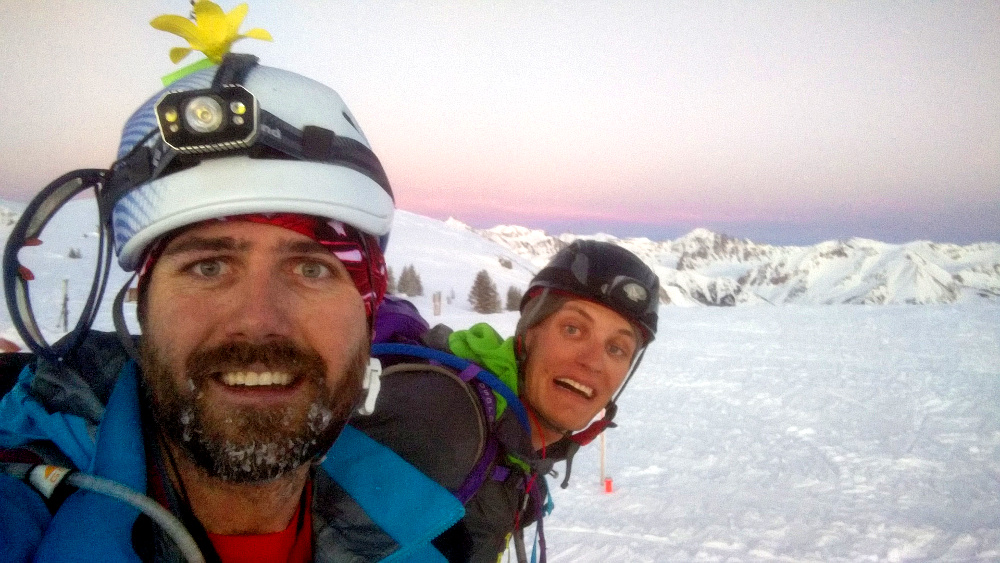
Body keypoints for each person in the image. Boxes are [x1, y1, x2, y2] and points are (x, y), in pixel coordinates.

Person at [0, 52, 463, 561]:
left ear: (368, 313)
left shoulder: (419, 537)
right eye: (209, 267)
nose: (258, 321)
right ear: (144, 305)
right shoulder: (23, 498)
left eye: (312, 269)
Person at [353, 240, 660, 562]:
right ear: (529, 333)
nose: (594, 362)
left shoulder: (511, 444)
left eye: (616, 349)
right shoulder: (438, 420)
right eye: (573, 329)